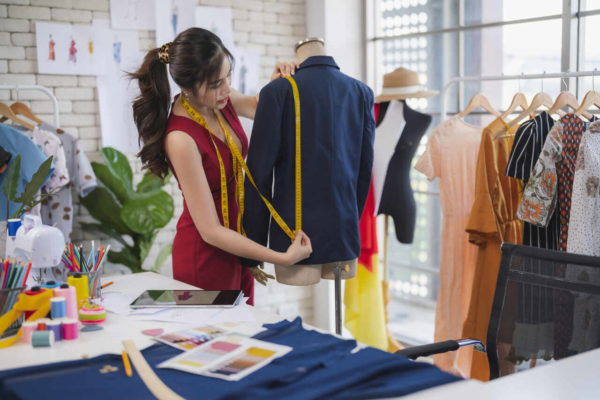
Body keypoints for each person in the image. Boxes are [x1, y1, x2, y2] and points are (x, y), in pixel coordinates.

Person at [130, 28, 312, 305]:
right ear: (186, 87)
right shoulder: (180, 139)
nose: (227, 87)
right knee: (215, 342)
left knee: (243, 338)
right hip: (205, 258)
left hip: (240, 246)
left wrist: (277, 82)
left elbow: (257, 107)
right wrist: (281, 258)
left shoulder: (218, 99)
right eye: (217, 82)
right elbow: (210, 230)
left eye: (229, 75)